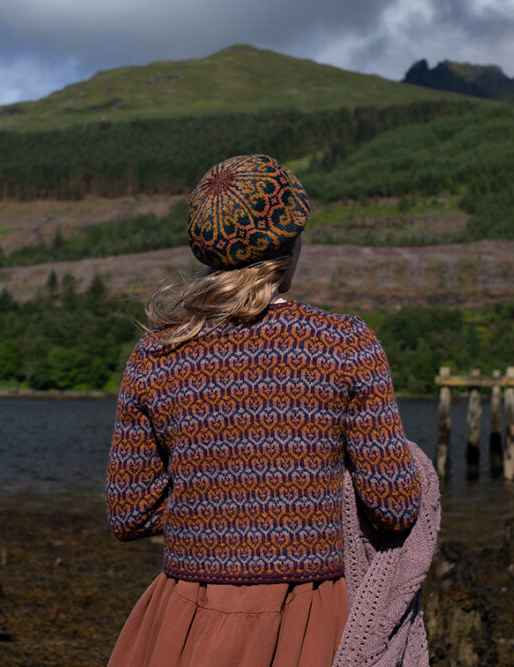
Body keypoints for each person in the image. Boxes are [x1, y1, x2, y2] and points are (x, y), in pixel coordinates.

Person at [105, 154, 422, 666]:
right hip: (312, 613)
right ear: (292, 242)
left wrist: (220, 508)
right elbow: (394, 505)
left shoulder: (155, 355)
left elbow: (129, 513)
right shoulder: (345, 344)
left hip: (188, 612)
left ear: (206, 252)